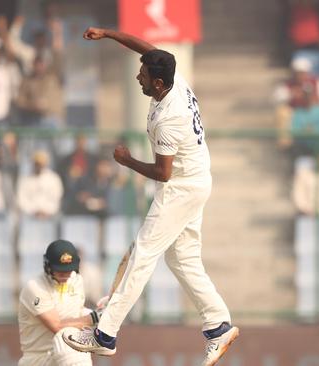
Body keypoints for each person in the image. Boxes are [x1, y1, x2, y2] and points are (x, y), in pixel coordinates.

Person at [62, 27, 238, 366]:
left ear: (158, 84)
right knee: (182, 259)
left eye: (143, 75)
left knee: (143, 255)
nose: (138, 76)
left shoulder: (170, 119)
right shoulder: (172, 76)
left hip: (180, 188)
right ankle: (218, 325)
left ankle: (105, 334)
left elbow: (163, 173)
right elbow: (148, 48)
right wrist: (110, 35)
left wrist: (126, 160)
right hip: (196, 180)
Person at [18, 239, 99, 366]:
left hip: (63, 359)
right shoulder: (35, 287)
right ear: (47, 265)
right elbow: (57, 326)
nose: (65, 274)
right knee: (69, 339)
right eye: (60, 270)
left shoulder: (77, 281)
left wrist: (101, 315)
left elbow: (77, 313)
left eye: (68, 269)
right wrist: (94, 318)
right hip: (38, 359)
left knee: (77, 345)